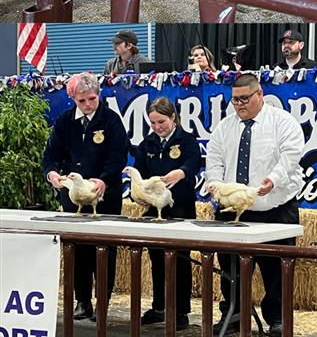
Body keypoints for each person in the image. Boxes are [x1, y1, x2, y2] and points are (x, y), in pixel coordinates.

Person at [205, 74, 304, 337]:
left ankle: (277, 319)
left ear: (260, 94)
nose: (239, 105)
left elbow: (291, 156)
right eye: (234, 100)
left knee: (276, 271)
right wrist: (215, 185)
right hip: (233, 210)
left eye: (244, 99)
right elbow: (213, 160)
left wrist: (273, 179)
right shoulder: (224, 128)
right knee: (230, 267)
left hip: (275, 207)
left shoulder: (283, 123)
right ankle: (233, 313)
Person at [42, 72, 128, 321]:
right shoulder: (64, 122)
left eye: (92, 98)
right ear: (73, 98)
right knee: (77, 250)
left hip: (105, 196)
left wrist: (103, 179)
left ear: (98, 95)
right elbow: (51, 157)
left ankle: (103, 302)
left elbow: (118, 156)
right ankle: (82, 300)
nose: (89, 104)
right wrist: (53, 175)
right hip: (74, 198)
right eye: (83, 101)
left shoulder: (111, 120)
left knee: (105, 251)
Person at [133, 98, 202, 331]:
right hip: (154, 210)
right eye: (152, 123)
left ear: (173, 117)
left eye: (161, 121)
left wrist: (181, 173)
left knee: (180, 259)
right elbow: (140, 173)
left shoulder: (187, 141)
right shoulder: (147, 144)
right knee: (156, 259)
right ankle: (160, 306)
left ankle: (181, 310)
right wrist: (139, 192)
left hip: (180, 207)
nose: (157, 127)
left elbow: (194, 163)